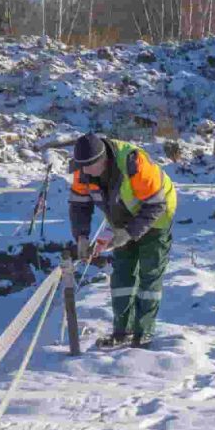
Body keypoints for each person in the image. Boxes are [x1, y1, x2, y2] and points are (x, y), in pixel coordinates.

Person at [68, 133, 177, 349]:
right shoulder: (82, 170)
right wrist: (81, 236)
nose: (86, 172)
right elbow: (79, 204)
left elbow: (156, 205)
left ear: (104, 159)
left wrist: (128, 233)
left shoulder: (133, 162)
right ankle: (122, 331)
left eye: (91, 166)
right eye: (83, 167)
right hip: (121, 217)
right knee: (122, 274)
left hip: (156, 216)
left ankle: (143, 331)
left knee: (149, 273)